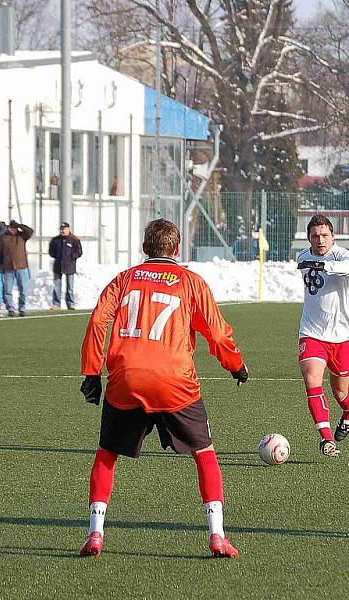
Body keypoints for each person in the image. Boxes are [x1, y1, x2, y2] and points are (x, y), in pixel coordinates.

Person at [78, 218, 249, 559]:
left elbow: (99, 319)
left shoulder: (125, 279)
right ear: (177, 249)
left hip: (126, 379)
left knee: (106, 454)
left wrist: (92, 373)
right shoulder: (190, 282)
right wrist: (235, 364)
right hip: (175, 383)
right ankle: (217, 536)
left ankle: (95, 534)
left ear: (144, 248)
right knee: (204, 453)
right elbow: (215, 333)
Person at [296, 214, 349, 458]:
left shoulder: (342, 256)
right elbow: (306, 266)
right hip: (311, 332)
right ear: (309, 239)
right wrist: (316, 264)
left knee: (340, 393)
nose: (320, 240)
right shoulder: (303, 257)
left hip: (343, 335)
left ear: (333, 236)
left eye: (325, 235)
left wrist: (327, 266)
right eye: (315, 236)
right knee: (312, 379)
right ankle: (325, 439)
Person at [0, 220, 33, 317]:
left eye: (15, 228)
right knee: (8, 290)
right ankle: (10, 308)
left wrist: (19, 225)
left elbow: (30, 231)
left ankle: (22, 308)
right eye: (11, 227)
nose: (13, 230)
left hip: (21, 266)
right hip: (8, 267)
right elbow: (0, 252)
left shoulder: (22, 236)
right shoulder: (3, 237)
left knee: (23, 289)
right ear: (8, 228)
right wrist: (0, 265)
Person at [48, 222, 82, 310]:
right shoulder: (55, 240)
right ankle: (56, 304)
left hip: (69, 266)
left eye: (64, 229)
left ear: (68, 229)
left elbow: (79, 251)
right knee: (57, 286)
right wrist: (58, 257)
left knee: (70, 287)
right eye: (61, 229)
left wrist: (72, 257)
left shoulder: (74, 240)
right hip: (58, 266)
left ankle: (70, 303)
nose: (62, 231)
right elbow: (51, 251)